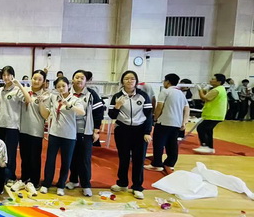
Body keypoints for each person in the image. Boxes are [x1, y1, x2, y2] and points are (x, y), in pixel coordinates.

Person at [108, 70, 153, 200]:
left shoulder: (143, 96)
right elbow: (111, 115)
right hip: (123, 130)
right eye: (126, 78)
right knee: (124, 158)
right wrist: (117, 106)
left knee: (139, 159)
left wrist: (147, 132)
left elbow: (149, 115)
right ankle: (122, 183)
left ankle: (137, 187)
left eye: (132, 78)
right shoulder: (117, 96)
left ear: (136, 81)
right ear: (122, 81)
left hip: (140, 131)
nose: (129, 81)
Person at [40, 76, 85, 196]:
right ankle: (46, 184)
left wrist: (69, 105)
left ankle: (61, 185)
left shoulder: (74, 99)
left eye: (63, 86)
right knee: (50, 160)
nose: (61, 88)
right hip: (54, 134)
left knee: (66, 162)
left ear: (68, 86)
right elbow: (46, 96)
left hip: (69, 136)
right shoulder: (54, 97)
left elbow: (82, 112)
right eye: (58, 87)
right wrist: (43, 98)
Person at [66, 69, 105, 197]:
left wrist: (96, 130)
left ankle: (86, 185)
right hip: (69, 131)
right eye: (77, 77)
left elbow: (98, 113)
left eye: (82, 78)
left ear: (86, 81)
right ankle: (73, 180)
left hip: (85, 131)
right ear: (72, 79)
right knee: (72, 157)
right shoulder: (67, 93)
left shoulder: (91, 94)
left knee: (84, 159)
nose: (79, 80)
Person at [14, 69, 49, 197]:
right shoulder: (25, 90)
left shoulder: (46, 95)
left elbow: (45, 115)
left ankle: (34, 181)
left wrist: (41, 102)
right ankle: (24, 179)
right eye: (34, 78)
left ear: (43, 81)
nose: (36, 81)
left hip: (36, 131)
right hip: (23, 129)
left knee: (35, 158)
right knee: (24, 157)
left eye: (39, 79)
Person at [145, 73, 189, 175]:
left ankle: (157, 164)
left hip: (164, 121)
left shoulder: (165, 91)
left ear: (167, 82)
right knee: (172, 143)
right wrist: (184, 122)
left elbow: (159, 106)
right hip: (177, 122)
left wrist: (155, 118)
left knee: (159, 143)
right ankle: (170, 163)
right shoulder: (181, 93)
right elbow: (187, 108)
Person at [0, 65, 30, 180]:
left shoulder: (17, 90)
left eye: (8, 75)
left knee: (10, 153)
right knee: (0, 152)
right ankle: (1, 176)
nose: (6, 77)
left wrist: (19, 85)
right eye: (4, 75)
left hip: (12, 127)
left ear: (13, 76)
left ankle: (10, 177)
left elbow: (28, 100)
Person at [194, 73, 228, 154]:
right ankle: (210, 147)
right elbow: (208, 96)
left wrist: (200, 90)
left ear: (219, 82)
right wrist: (204, 90)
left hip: (214, 114)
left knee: (201, 128)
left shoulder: (216, 90)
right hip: (216, 114)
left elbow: (204, 98)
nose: (211, 80)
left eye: (213, 79)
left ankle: (204, 145)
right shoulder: (220, 89)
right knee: (208, 130)